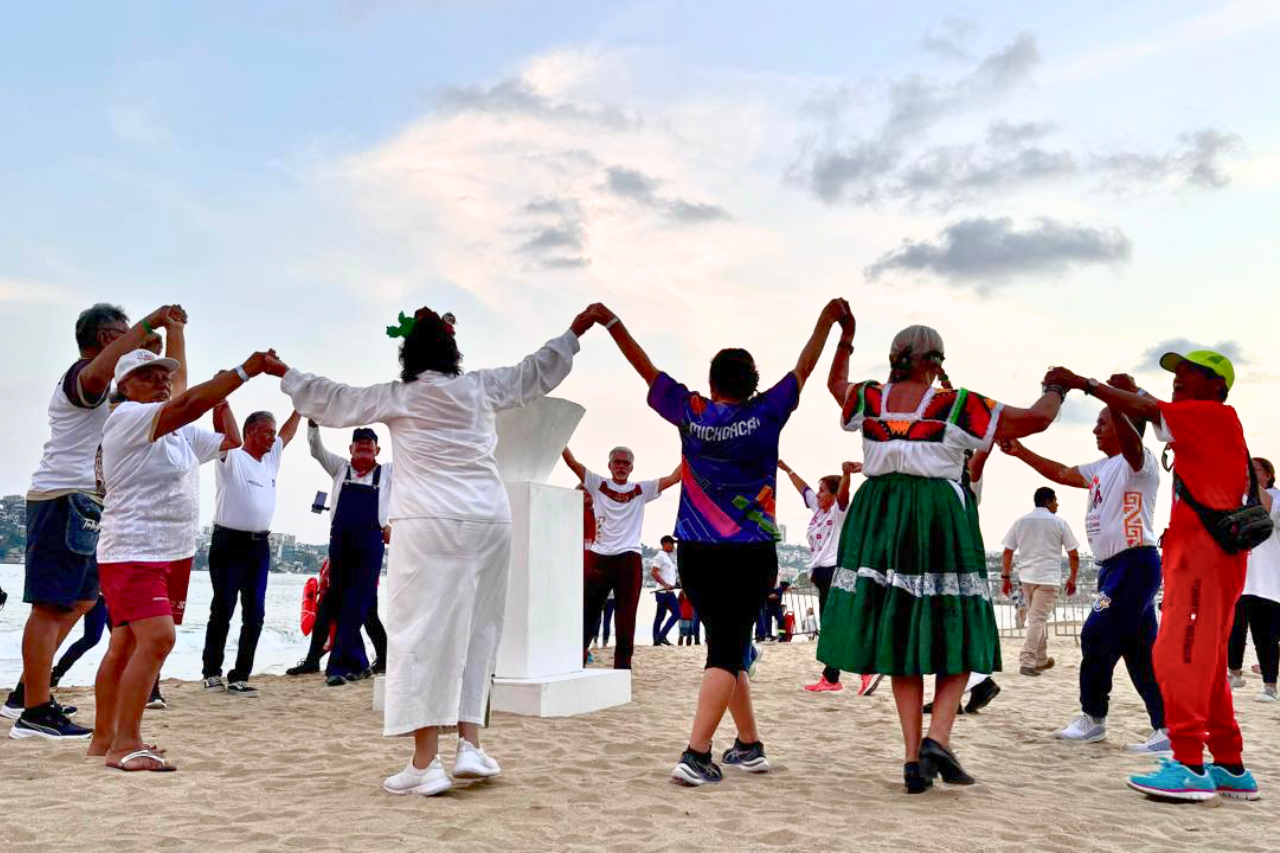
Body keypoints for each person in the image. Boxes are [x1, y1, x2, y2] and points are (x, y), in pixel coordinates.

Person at [281, 304, 613, 797]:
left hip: (429, 525)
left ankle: (424, 763)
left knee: (422, 637)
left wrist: (284, 373)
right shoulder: (478, 387)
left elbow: (335, 401)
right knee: (481, 631)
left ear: (408, 354)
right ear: (452, 351)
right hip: (489, 520)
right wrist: (575, 331)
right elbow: (535, 373)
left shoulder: (400, 396)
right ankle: (470, 747)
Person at [596, 297, 851, 786]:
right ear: (752, 381)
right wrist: (830, 321)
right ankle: (695, 754)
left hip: (695, 550)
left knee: (726, 647)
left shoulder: (692, 412)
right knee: (727, 652)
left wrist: (611, 322)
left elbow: (645, 370)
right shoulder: (768, 413)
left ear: (712, 383)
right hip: (750, 552)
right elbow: (805, 367)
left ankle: (750, 746)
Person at [819, 323, 1063, 794]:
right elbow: (1037, 419)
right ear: (935, 363)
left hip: (882, 518)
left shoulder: (868, 399)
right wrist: (1058, 387)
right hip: (936, 518)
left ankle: (913, 758)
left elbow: (835, 384)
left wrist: (846, 334)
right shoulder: (956, 405)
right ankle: (939, 737)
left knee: (900, 636)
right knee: (959, 623)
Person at [1044, 352, 1260, 801]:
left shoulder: (1210, 415)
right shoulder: (1205, 424)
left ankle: (1187, 764)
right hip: (1209, 556)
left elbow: (1149, 410)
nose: (1179, 378)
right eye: (1175, 373)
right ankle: (1230, 765)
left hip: (1199, 558)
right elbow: (1150, 405)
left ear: (1217, 384)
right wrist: (1132, 390)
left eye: (1190, 372)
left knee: (1175, 654)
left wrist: (1083, 382)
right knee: (1208, 659)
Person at [88, 345, 286, 770]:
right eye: (148, 376)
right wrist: (243, 371)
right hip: (133, 550)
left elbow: (231, 441)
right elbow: (187, 401)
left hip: (171, 552)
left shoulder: (179, 433)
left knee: (124, 644)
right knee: (158, 639)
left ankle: (104, 739)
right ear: (124, 386)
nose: (160, 381)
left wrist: (222, 399)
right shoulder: (127, 418)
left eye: (164, 375)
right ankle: (125, 743)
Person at [8, 303, 185, 740]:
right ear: (108, 339)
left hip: (88, 502)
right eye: (124, 334)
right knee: (52, 607)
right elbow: (107, 373)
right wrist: (151, 323)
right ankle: (34, 710)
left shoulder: (115, 394)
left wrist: (168, 339)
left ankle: (27, 692)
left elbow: (175, 396)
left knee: (81, 602)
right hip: (64, 496)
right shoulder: (82, 376)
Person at [1001, 403, 1168, 754]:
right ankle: (1166, 726)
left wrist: (1112, 396)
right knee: (1139, 652)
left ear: (1125, 427)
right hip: (1114, 567)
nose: (1095, 429)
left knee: (1094, 636)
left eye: (1102, 422)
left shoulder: (1139, 463)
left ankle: (1093, 718)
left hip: (1134, 563)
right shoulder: (1102, 467)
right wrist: (1020, 452)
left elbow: (1133, 442)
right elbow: (1061, 472)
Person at [201, 409, 301, 697]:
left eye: (272, 432)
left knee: (255, 612)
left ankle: (240, 676)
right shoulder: (231, 455)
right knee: (223, 608)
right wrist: (222, 401)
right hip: (228, 543)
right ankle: (211, 673)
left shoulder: (270, 460)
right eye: (267, 432)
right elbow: (221, 425)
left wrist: (299, 407)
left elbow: (288, 434)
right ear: (250, 433)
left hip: (259, 546)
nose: (273, 437)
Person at [562, 446, 680, 668]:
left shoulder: (641, 489)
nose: (621, 466)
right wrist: (557, 434)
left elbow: (674, 478)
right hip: (600, 556)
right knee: (588, 614)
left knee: (627, 617)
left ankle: (622, 667)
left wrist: (695, 447)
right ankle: (575, 663)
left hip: (629, 558)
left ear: (632, 467)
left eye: (626, 463)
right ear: (609, 465)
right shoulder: (598, 484)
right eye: (617, 462)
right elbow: (573, 464)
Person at [295, 422, 393, 685]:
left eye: (368, 448)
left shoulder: (388, 473)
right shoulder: (339, 467)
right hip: (340, 544)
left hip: (370, 543)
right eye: (359, 448)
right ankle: (353, 663)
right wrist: (313, 423)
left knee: (359, 604)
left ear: (377, 450)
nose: (363, 452)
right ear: (350, 449)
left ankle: (341, 666)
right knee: (335, 602)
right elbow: (316, 449)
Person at [777, 459, 870, 694]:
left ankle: (859, 669)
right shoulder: (819, 511)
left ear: (832, 494)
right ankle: (833, 677)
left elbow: (844, 495)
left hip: (833, 571)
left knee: (835, 623)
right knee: (832, 625)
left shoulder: (839, 513)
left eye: (822, 491)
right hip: (820, 573)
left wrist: (846, 476)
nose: (818, 495)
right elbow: (804, 489)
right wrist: (788, 469)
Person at [1000, 487, 1081, 677]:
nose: (1057, 504)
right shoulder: (1059, 523)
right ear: (1048, 501)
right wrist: (1072, 578)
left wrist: (1005, 577)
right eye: (1055, 500)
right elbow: (1073, 554)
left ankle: (1041, 659)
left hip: (1026, 579)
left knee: (1037, 618)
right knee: (1037, 619)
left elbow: (1007, 551)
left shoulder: (1020, 522)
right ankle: (1027, 661)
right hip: (1048, 579)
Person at [1227, 457, 1280, 703]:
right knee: (1234, 628)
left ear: (1268, 475)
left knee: (1265, 635)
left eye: (1255, 470)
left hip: (1268, 582)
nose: (1248, 474)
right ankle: (1234, 673)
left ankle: (1270, 687)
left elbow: (1269, 510)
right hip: (1240, 578)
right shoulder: (1240, 501)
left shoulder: (1275, 497)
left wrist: (1250, 477)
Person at [49, 596, 109, 687]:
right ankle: (57, 673)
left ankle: (125, 677)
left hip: (120, 596)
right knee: (91, 639)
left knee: (124, 640)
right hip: (100, 597)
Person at [651, 536, 680, 646]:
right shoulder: (660, 556)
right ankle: (659, 638)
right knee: (669, 615)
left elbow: (668, 575)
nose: (673, 546)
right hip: (662, 592)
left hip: (669, 592)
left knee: (666, 615)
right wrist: (665, 584)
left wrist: (674, 584)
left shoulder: (668, 557)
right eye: (671, 543)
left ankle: (658, 638)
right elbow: (653, 572)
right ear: (665, 544)